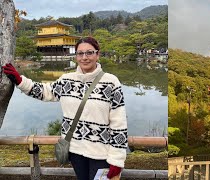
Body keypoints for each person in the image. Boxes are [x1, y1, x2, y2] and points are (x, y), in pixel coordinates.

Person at [2, 37, 127, 180]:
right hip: (75, 151)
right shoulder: (67, 80)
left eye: (89, 53)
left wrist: (117, 159)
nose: (84, 57)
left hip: (101, 153)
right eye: (80, 53)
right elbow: (45, 92)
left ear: (97, 54)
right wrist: (20, 80)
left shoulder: (111, 82)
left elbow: (119, 123)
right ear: (76, 56)